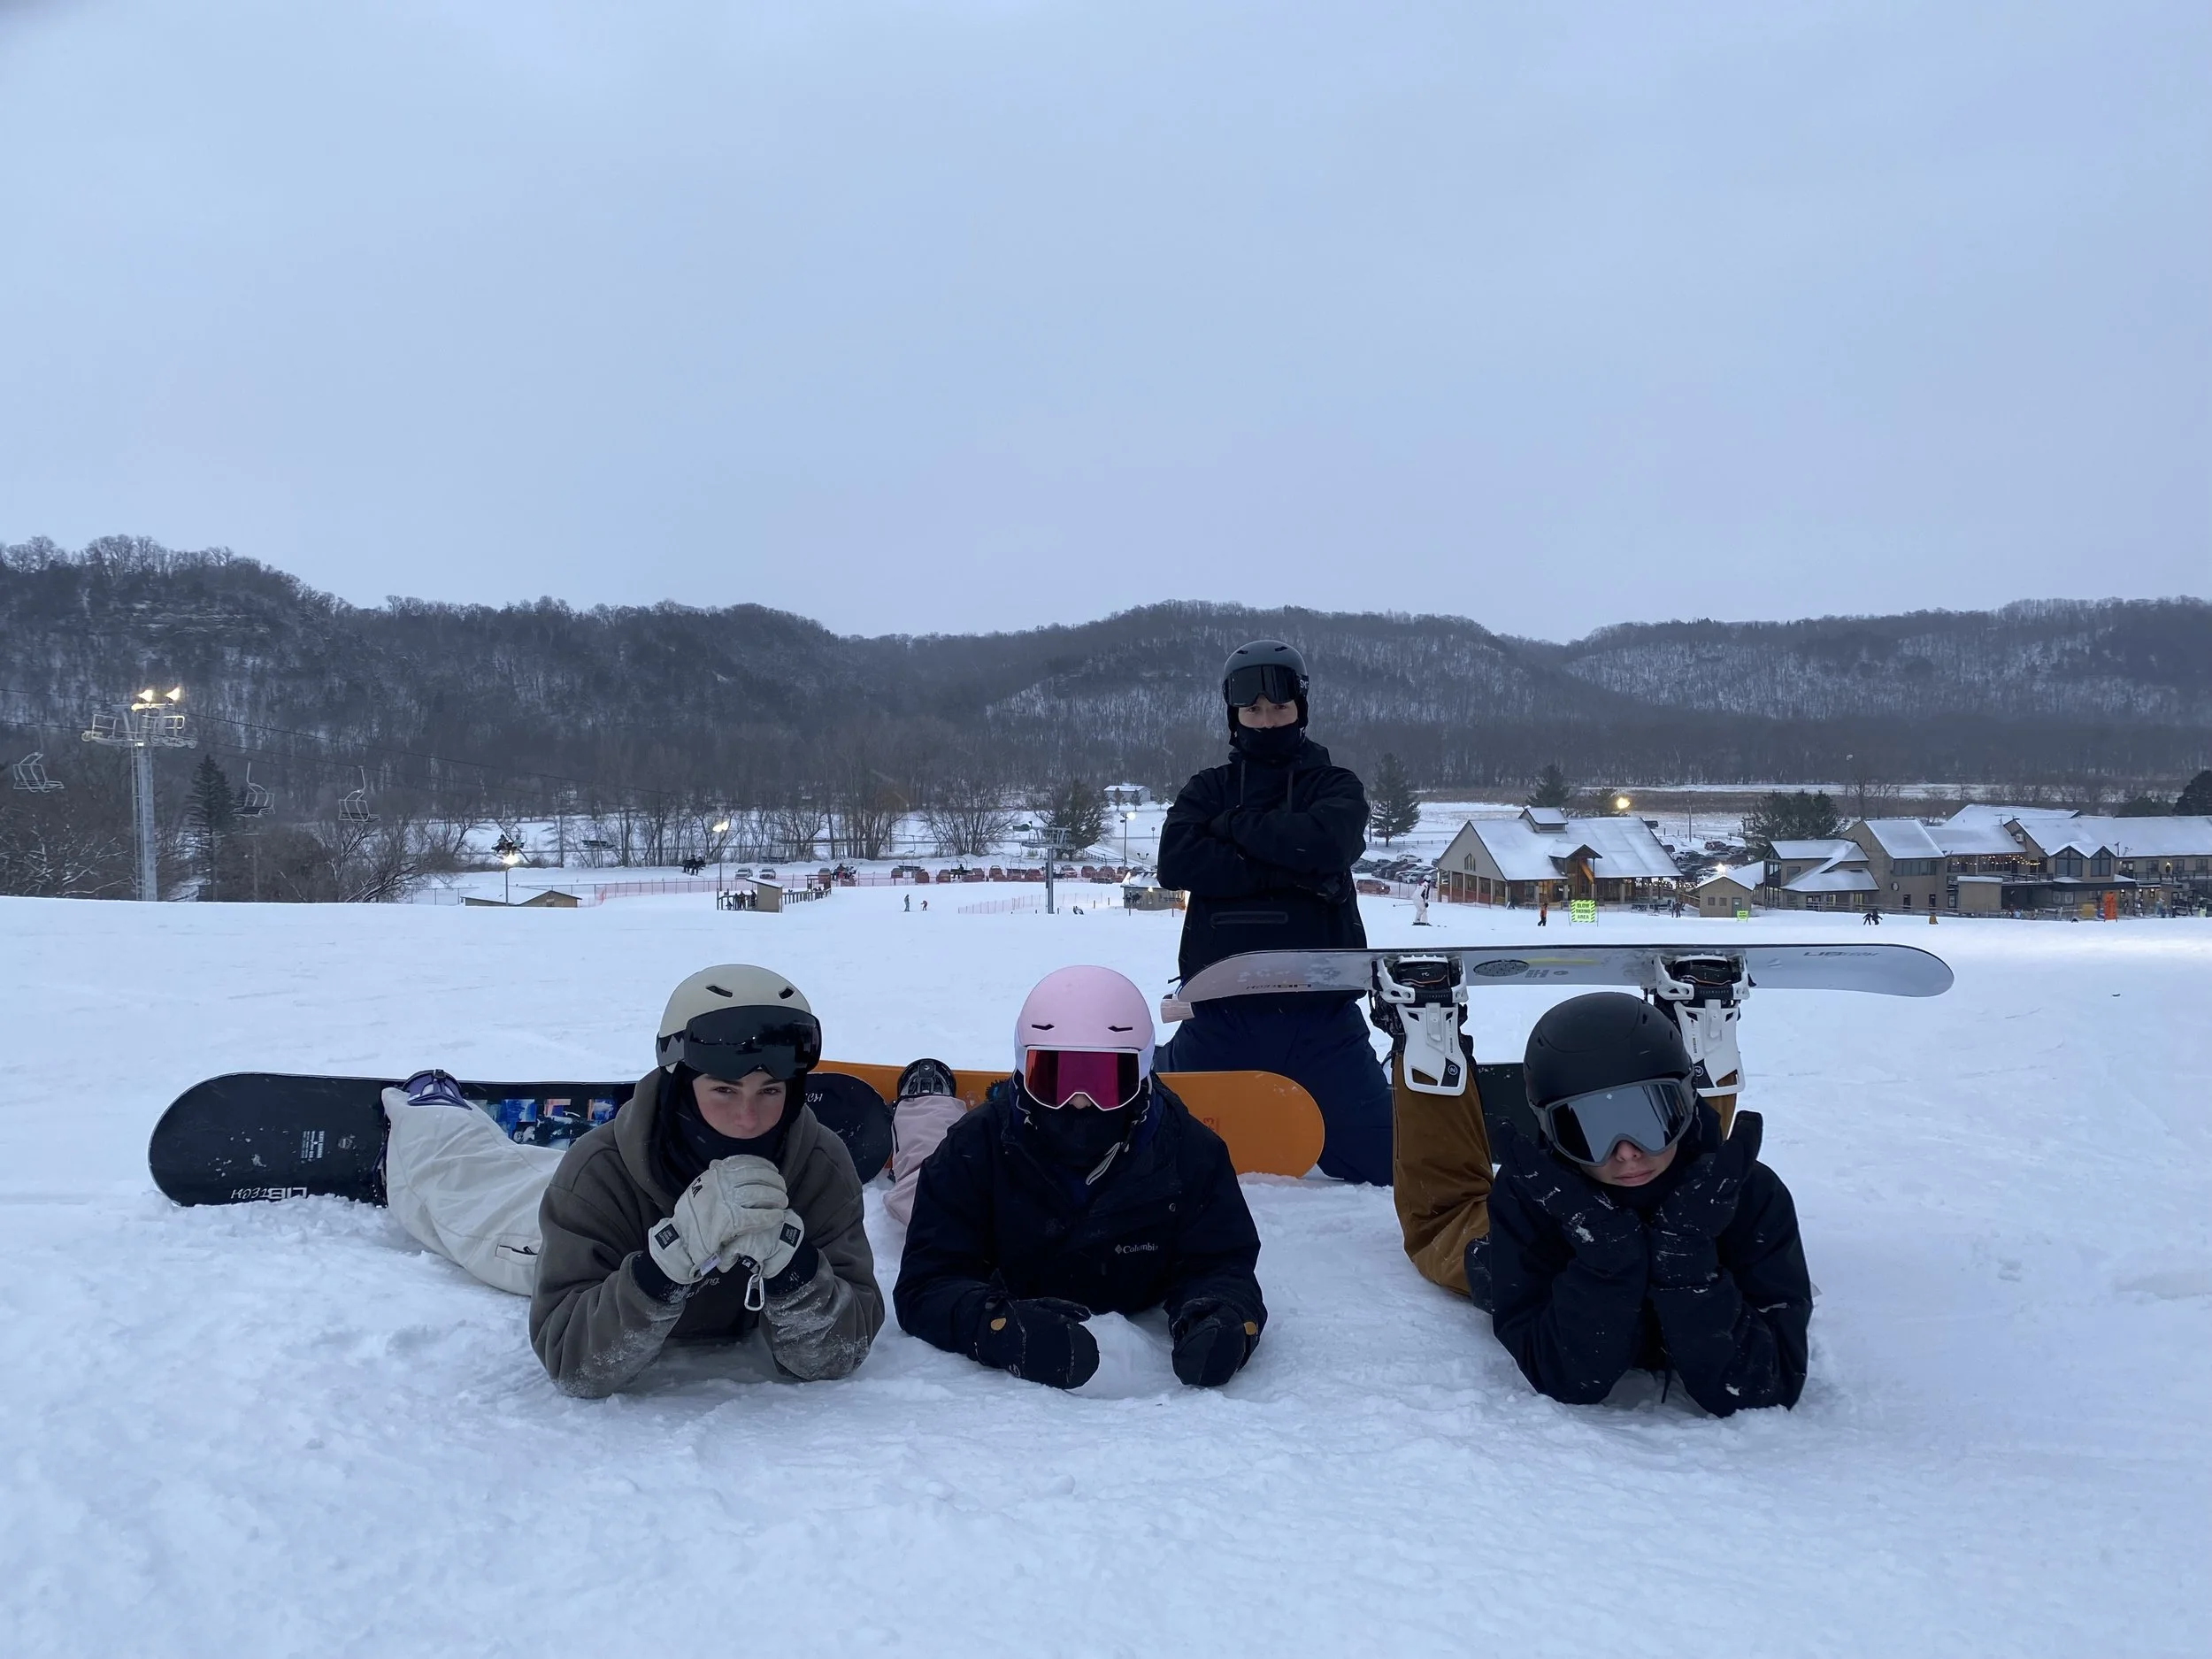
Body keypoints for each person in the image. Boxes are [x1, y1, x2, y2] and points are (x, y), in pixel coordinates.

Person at [1396, 991, 1811, 1416]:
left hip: (1695, 1206)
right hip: (1557, 1226)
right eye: (1589, 1130)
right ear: (1553, 1133)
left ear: (1684, 1102)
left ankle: (1698, 1027)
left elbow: (1766, 1387)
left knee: (1693, 1150)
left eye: (1652, 1118)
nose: (1627, 1152)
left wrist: (1685, 1255)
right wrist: (1604, 1255)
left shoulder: (1746, 1197)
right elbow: (1565, 1376)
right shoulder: (1535, 1201)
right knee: (1445, 1224)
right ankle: (1428, 1043)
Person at [894, 965, 1267, 1391]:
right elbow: (927, 1282)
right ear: (1022, 1066)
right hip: (996, 1220)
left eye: (1106, 1082)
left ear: (1143, 1073)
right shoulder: (971, 1149)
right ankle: (924, 1105)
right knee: (914, 1182)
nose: (1080, 1104)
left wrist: (1222, 1315)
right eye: (1052, 1079)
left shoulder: (1188, 1154)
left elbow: (1220, 1260)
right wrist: (997, 1327)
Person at [1155, 640, 1393, 1185]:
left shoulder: (1335, 785)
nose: (1265, 722)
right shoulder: (1207, 787)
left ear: (1300, 709)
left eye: (1279, 709)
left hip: (1322, 1020)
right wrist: (1291, 870)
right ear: (1234, 715)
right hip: (1220, 1013)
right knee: (1156, 1149)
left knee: (1379, 1163)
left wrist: (1233, 828)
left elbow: (1327, 844)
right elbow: (1177, 861)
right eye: (1252, 711)